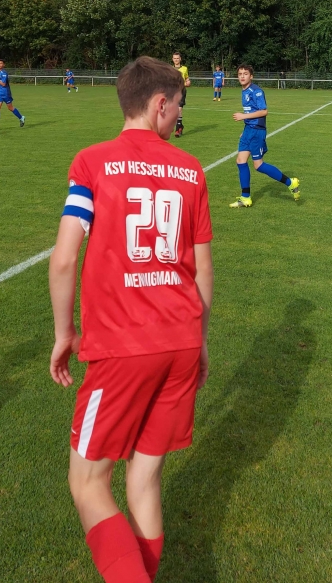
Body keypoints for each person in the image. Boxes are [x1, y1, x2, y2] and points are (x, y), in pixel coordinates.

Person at [48, 56, 214, 583]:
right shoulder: (191, 170)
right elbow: (203, 270)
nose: (179, 115)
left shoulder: (92, 162)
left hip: (123, 347)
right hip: (181, 341)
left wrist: (64, 333)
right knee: (144, 480)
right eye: (179, 105)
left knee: (88, 483)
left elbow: (64, 259)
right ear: (160, 103)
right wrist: (200, 343)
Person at [230, 63, 300, 207]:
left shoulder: (256, 91)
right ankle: (245, 197)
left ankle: (290, 182)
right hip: (249, 130)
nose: (242, 76)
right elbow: (252, 112)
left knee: (258, 165)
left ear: (251, 76)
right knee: (241, 161)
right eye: (240, 74)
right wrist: (245, 128)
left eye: (245, 74)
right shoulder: (244, 91)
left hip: (257, 131)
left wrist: (243, 116)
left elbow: (263, 111)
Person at [0, 60, 25, 130]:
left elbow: (3, 84)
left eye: (1, 63)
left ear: (3, 65)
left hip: (6, 93)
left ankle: (21, 117)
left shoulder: (4, 73)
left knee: (10, 108)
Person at [171, 52, 190, 137]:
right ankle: (180, 125)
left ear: (180, 59)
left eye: (177, 58)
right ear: (172, 59)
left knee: (179, 109)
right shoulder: (170, 69)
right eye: (174, 58)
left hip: (181, 91)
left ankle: (177, 129)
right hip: (172, 92)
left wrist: (188, 82)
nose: (176, 60)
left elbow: (187, 78)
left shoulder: (185, 68)